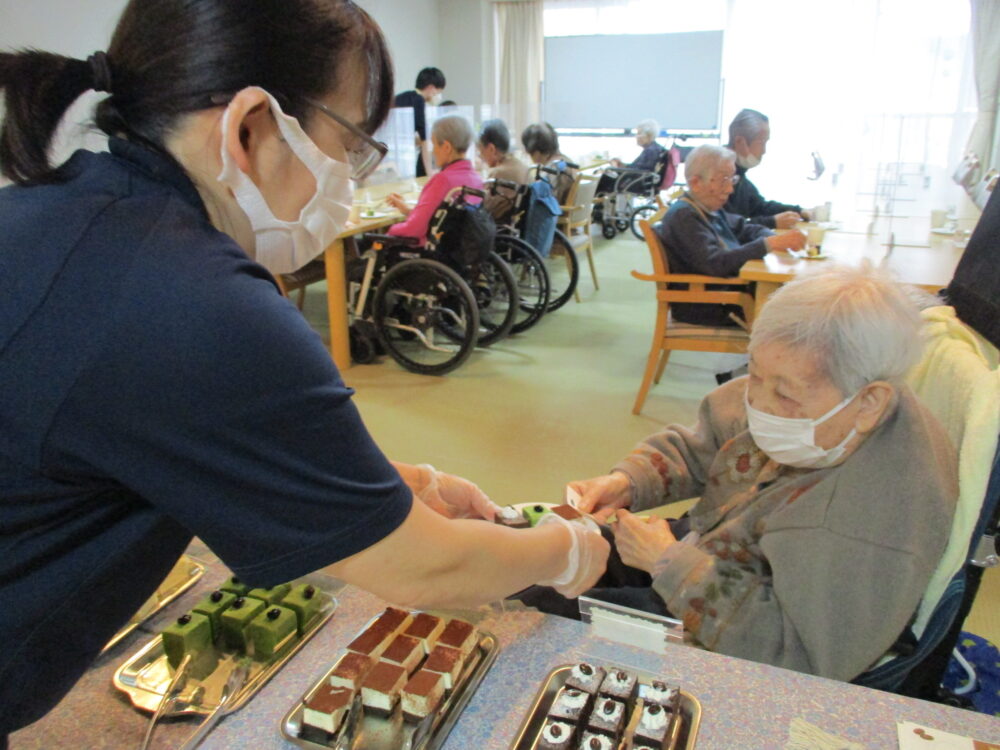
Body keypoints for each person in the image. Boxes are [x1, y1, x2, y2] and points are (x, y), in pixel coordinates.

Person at [0, 2, 609, 738]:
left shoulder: (63, 212)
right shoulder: (195, 298)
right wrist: (565, 550)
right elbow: (424, 570)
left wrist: (396, 484)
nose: (351, 178)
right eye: (352, 144)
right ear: (252, 124)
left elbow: (171, 432)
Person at [516, 266, 958, 682]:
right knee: (547, 558)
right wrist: (629, 482)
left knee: (546, 624)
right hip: (712, 548)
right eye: (754, 375)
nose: (758, 405)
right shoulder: (824, 400)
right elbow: (705, 442)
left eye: (783, 395)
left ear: (869, 403)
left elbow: (798, 658)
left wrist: (666, 563)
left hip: (742, 633)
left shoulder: (865, 519)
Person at [657, 144, 806, 327]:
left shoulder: (709, 207)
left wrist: (771, 237)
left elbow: (745, 227)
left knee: (800, 301)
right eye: (723, 180)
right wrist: (768, 244)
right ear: (695, 183)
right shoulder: (684, 216)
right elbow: (716, 263)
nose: (730, 189)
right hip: (709, 304)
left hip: (727, 294)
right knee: (798, 315)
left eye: (732, 179)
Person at [385, 115, 483, 244]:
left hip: (433, 250)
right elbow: (443, 218)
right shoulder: (476, 178)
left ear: (447, 147)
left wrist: (390, 231)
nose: (433, 151)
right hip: (461, 248)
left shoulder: (443, 180)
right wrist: (407, 209)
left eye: (434, 144)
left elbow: (415, 229)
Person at [723, 108, 808, 229]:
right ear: (739, 141)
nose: (764, 151)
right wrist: (772, 222)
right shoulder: (720, 175)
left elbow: (759, 207)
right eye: (761, 143)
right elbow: (726, 227)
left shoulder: (740, 174)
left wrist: (798, 211)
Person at [393, 66, 446, 178]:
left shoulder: (402, 97)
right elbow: (424, 141)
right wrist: (429, 174)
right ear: (431, 88)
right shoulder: (419, 101)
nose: (438, 97)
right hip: (401, 162)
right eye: (438, 92)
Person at [477, 118, 529, 222]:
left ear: (491, 149)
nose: (480, 156)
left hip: (500, 229)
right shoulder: (521, 166)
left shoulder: (499, 173)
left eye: (481, 150)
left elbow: (485, 211)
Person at [596, 119, 665, 196]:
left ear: (649, 136)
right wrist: (621, 165)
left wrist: (616, 169)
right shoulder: (654, 149)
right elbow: (637, 168)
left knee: (602, 179)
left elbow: (637, 171)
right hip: (637, 181)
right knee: (606, 176)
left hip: (635, 184)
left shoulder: (651, 151)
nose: (636, 137)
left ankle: (594, 204)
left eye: (639, 133)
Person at [521, 121, 577, 204]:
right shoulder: (567, 162)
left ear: (535, 151)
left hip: (554, 214)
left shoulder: (553, 169)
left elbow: (547, 202)